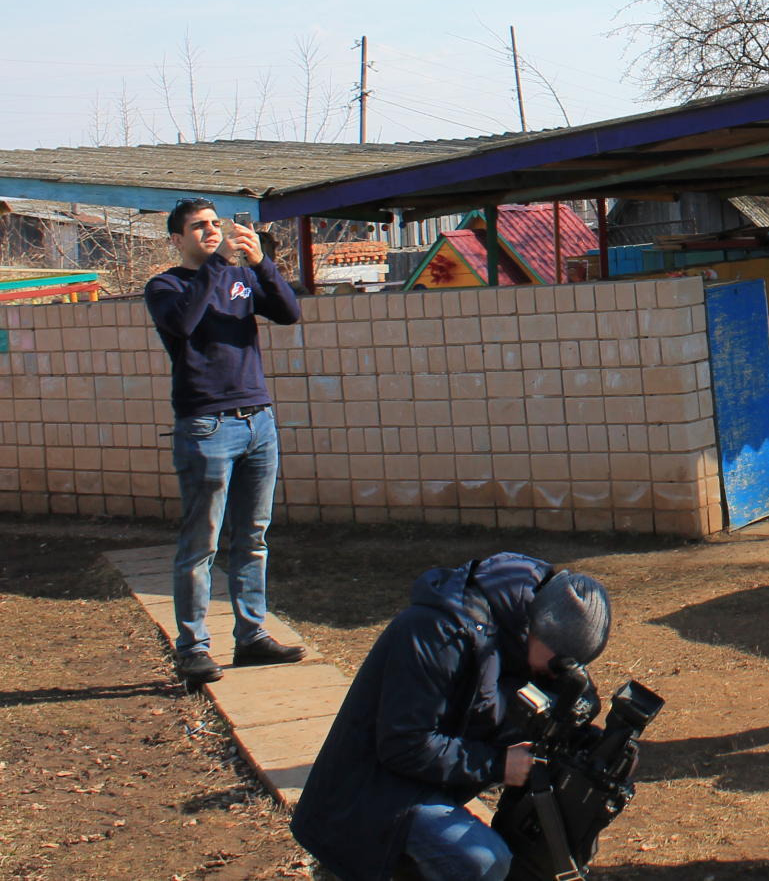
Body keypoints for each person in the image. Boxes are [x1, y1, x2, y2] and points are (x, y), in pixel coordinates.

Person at [293, 553, 613, 881]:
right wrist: (498, 764)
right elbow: (404, 744)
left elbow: (545, 708)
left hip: (417, 786)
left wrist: (600, 750)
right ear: (543, 628)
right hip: (365, 797)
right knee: (484, 861)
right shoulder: (436, 632)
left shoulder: (516, 640)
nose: (559, 672)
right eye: (563, 661)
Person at [143, 197, 305, 685]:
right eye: (198, 227)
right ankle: (193, 647)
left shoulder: (240, 276)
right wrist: (219, 263)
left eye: (216, 224)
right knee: (201, 544)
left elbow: (289, 312)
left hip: (258, 421)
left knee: (252, 538)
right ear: (177, 239)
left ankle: (251, 635)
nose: (212, 231)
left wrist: (259, 262)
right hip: (206, 427)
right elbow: (183, 324)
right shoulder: (166, 285)